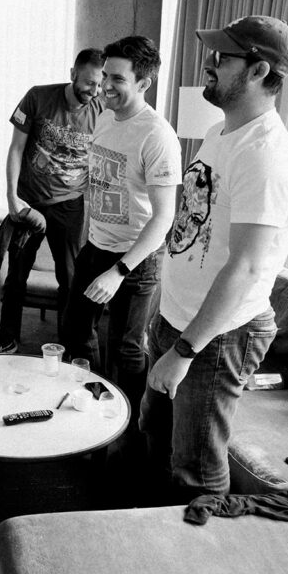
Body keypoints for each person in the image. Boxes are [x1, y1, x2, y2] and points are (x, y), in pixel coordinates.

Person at [140, 15, 288, 501]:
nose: (209, 64)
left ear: (258, 70)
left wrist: (184, 351)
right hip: (178, 319)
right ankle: (154, 529)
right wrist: (164, 313)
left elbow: (247, 267)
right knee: (155, 434)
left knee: (197, 470)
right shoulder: (220, 131)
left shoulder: (265, 154)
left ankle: (198, 543)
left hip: (217, 337)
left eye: (223, 57)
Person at [62, 35, 181, 423]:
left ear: (144, 83)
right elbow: (105, 176)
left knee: (125, 349)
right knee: (76, 332)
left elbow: (163, 218)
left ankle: (131, 428)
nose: (104, 86)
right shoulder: (104, 116)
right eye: (105, 75)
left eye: (117, 79)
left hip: (136, 259)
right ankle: (95, 404)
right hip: (97, 245)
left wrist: (119, 271)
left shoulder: (156, 135)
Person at [0, 50, 104, 354]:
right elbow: (16, 148)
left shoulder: (103, 111)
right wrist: (12, 197)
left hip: (70, 204)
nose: (94, 91)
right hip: (30, 202)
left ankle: (68, 345)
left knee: (70, 277)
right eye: (89, 83)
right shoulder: (38, 97)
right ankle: (7, 337)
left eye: (100, 85)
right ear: (73, 73)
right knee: (17, 274)